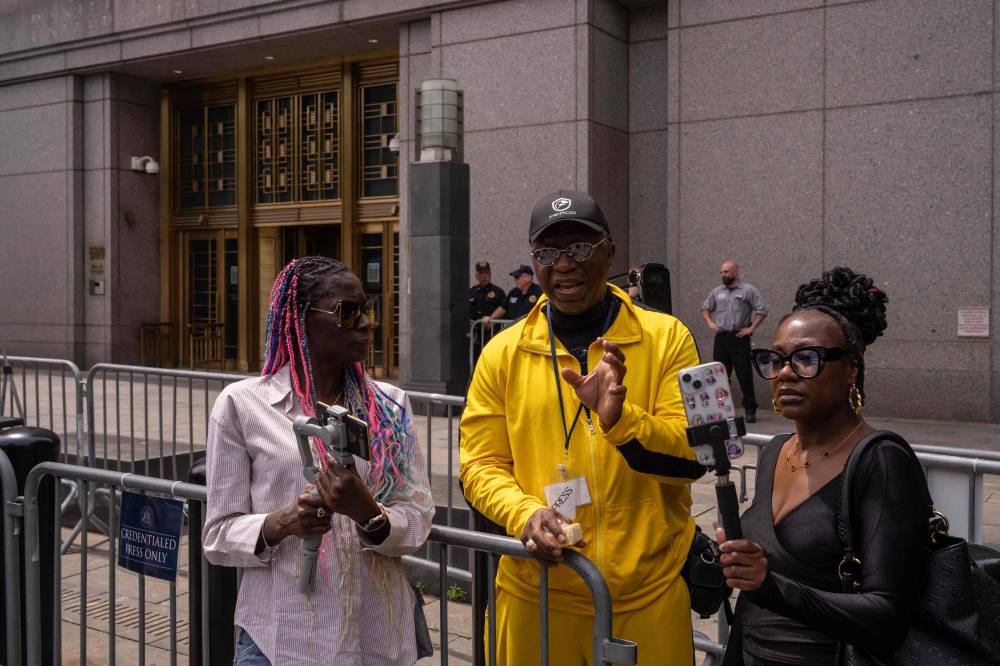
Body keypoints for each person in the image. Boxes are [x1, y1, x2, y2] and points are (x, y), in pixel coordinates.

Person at [460, 189, 705, 665]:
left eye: (579, 248)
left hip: (646, 599)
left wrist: (622, 421)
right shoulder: (501, 353)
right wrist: (525, 513)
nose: (564, 264)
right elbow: (479, 467)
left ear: (610, 251)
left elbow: (694, 458)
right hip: (536, 596)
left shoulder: (667, 338)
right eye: (548, 252)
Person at [203, 256, 435, 665]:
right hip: (281, 640)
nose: (366, 323)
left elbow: (417, 519)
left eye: (368, 309)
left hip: (376, 638)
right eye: (348, 312)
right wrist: (283, 522)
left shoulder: (390, 407)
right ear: (300, 319)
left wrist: (369, 513)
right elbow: (218, 537)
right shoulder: (242, 406)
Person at [716, 267, 927, 665]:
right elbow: (752, 599)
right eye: (775, 359)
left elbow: (888, 618)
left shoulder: (881, 460)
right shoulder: (775, 451)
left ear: (851, 369)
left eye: (806, 358)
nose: (783, 373)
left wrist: (771, 585)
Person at [702, 260, 768, 422]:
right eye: (721, 272)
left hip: (739, 339)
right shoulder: (717, 292)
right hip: (722, 339)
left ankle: (750, 410)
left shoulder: (747, 291)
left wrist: (750, 329)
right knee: (719, 376)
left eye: (726, 272)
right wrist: (711, 323)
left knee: (744, 376)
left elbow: (762, 310)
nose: (723, 275)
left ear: (736, 272)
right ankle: (721, 410)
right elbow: (705, 308)